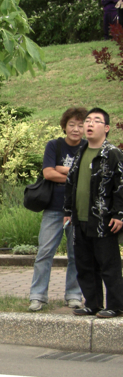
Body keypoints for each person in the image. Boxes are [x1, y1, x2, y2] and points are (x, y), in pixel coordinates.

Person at [64, 108, 123, 318]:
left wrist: (119, 214)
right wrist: (68, 211)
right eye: (87, 120)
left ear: (106, 128)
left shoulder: (113, 153)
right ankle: (93, 303)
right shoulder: (81, 151)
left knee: (109, 264)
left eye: (96, 121)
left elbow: (121, 186)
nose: (89, 124)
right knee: (85, 264)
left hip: (103, 220)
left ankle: (116, 305)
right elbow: (71, 183)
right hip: (80, 218)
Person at [28, 107, 87, 312]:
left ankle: (73, 295)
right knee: (44, 252)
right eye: (72, 124)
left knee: (76, 254)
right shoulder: (54, 146)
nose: (76, 129)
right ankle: (37, 296)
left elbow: (88, 176)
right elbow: (48, 173)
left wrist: (62, 170)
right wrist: (74, 176)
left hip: (79, 209)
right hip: (54, 208)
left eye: (80, 125)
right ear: (64, 126)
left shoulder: (88, 147)